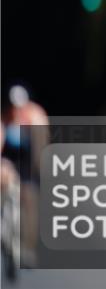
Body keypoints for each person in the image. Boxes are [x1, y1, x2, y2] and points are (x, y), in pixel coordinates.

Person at [1, 85, 49, 267]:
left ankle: (27, 247)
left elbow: (40, 148)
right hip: (9, 156)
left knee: (29, 197)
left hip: (29, 157)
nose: (16, 110)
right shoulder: (4, 117)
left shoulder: (36, 115)